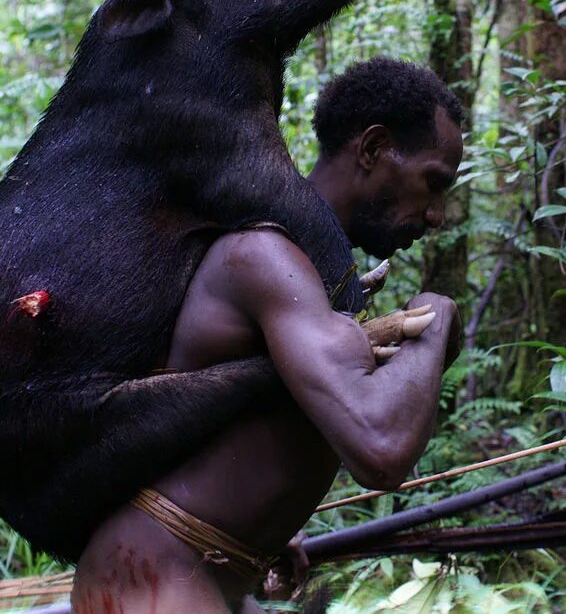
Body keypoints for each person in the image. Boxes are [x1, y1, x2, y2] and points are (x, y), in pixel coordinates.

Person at [71, 58, 465, 613]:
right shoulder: (267, 256)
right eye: (433, 182)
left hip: (206, 576)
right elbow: (380, 449)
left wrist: (266, 532)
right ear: (373, 149)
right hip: (151, 573)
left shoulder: (316, 276)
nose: (436, 215)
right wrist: (437, 313)